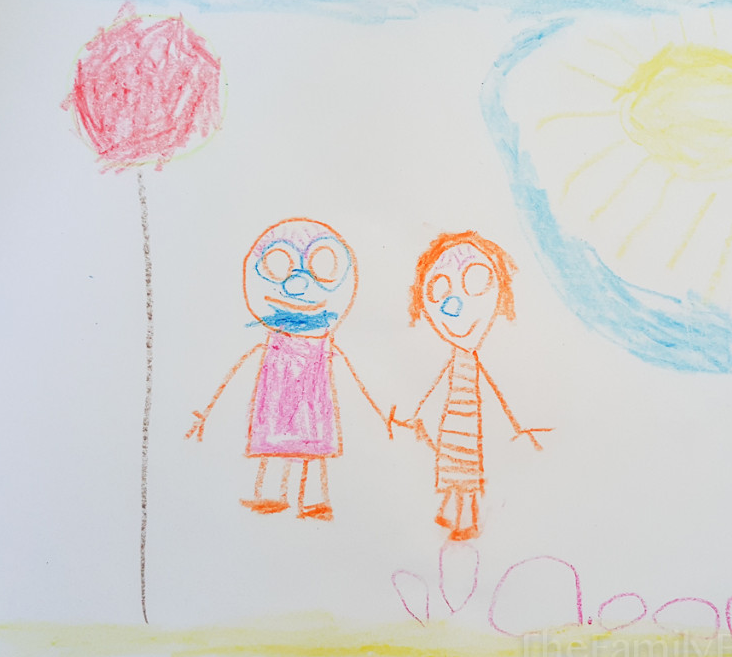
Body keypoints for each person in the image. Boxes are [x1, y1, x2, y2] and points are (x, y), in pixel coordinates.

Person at [186, 218, 384, 520]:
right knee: (276, 449)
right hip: (276, 409)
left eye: (322, 267)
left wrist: (383, 415)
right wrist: (207, 414)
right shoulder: (271, 347)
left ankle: (315, 500)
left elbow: (357, 382)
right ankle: (270, 495)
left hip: (313, 411)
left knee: (313, 453)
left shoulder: (326, 350)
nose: (297, 284)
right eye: (278, 264)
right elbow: (238, 376)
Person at [394, 231, 549, 540]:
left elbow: (494, 394)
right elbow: (437, 388)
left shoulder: (476, 364)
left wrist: (519, 428)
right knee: (454, 471)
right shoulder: (456, 363)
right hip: (453, 427)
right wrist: (416, 415)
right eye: (438, 290)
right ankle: (448, 513)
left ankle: (468, 522)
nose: (453, 304)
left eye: (475, 281)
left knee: (467, 475)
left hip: (468, 431)